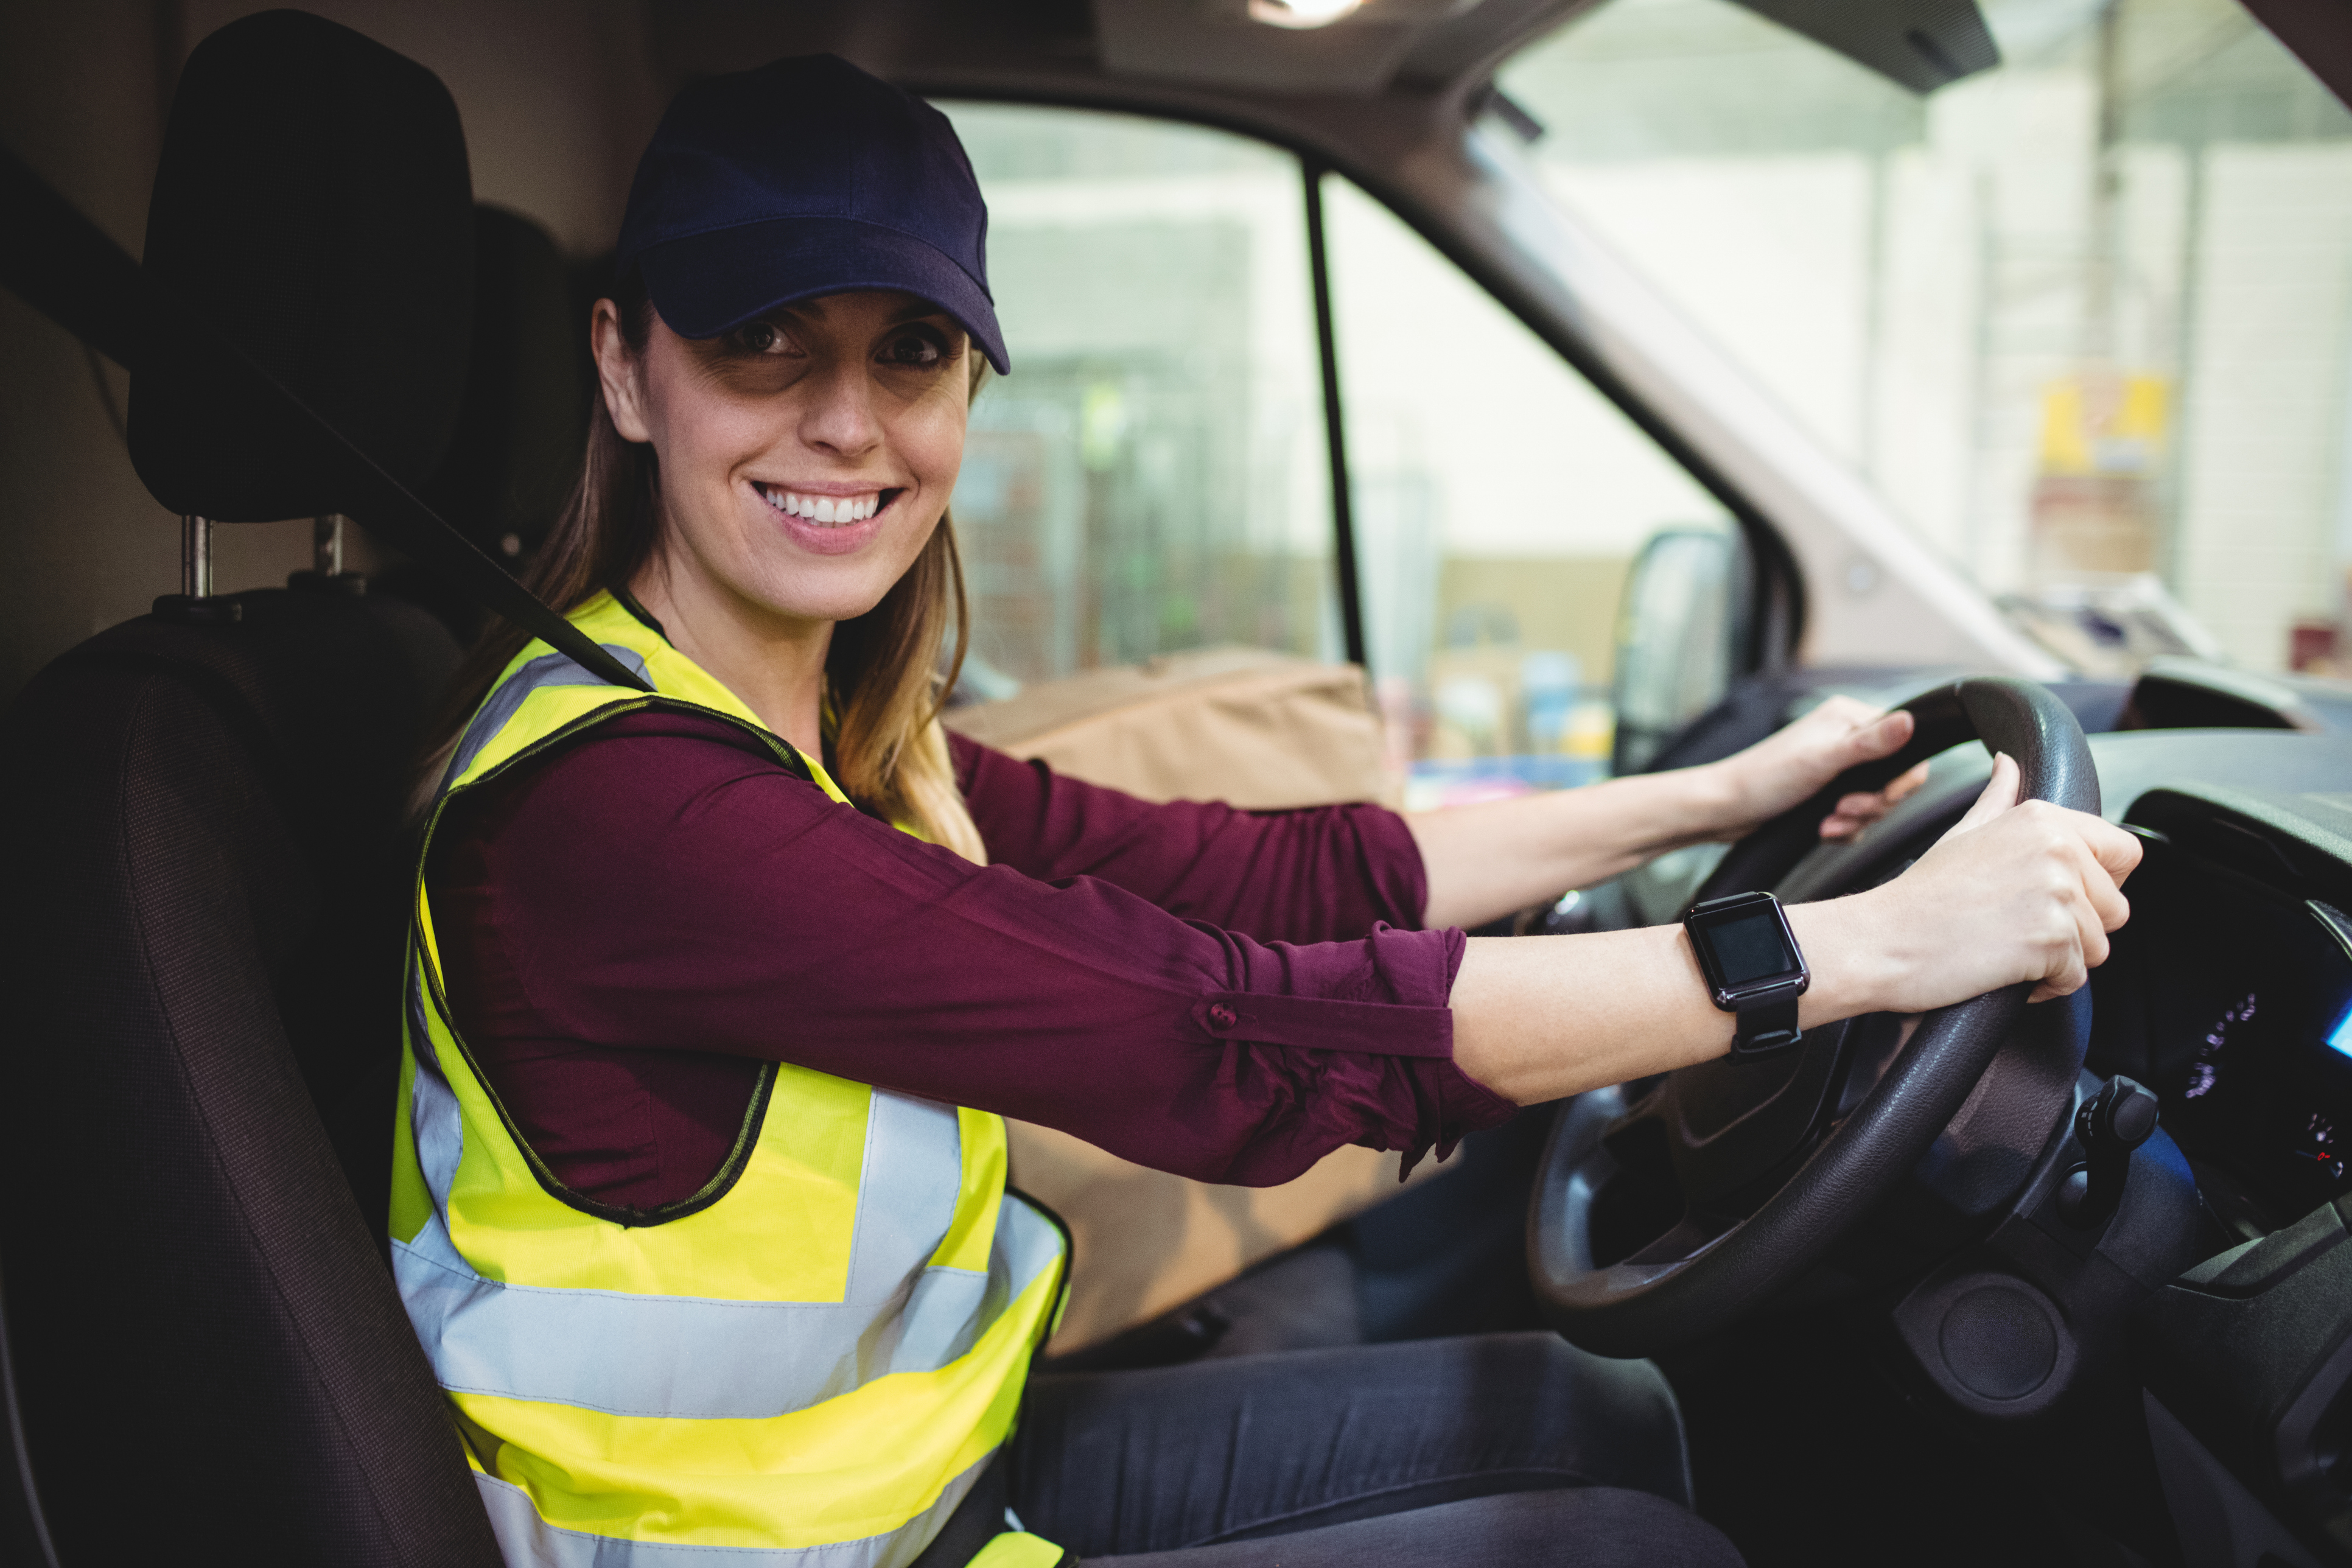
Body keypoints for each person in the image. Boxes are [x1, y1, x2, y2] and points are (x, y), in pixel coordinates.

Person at [390, 55, 2143, 1568]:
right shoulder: (624, 815)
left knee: (1591, 1409)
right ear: (625, 369)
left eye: (910, 350)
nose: (847, 422)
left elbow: (1272, 879)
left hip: (927, 1474)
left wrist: (1732, 794)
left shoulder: (841, 734)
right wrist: (1861, 950)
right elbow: (1211, 1031)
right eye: (760, 340)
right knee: (1620, 1550)